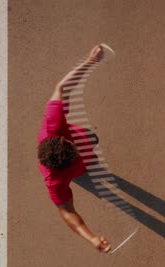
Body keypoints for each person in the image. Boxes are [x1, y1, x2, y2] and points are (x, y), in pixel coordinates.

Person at [37, 44, 112, 253]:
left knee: (90, 138)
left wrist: (89, 61)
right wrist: (92, 239)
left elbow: (61, 87)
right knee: (88, 166)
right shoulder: (55, 181)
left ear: (61, 139)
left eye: (73, 147)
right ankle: (86, 166)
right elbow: (67, 211)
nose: (77, 149)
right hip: (79, 169)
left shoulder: (53, 122)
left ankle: (89, 148)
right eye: (75, 153)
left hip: (80, 140)